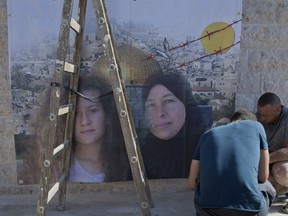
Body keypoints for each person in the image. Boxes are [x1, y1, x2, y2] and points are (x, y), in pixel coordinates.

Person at [188, 109, 275, 216]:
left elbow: (192, 184)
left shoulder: (207, 135)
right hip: (249, 211)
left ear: (231, 121)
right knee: (268, 186)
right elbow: (263, 176)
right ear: (250, 122)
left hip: (207, 210)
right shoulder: (256, 127)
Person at [140, 72, 208, 179]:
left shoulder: (206, 154)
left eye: (168, 101)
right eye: (151, 105)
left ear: (186, 106)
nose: (160, 113)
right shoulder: (137, 158)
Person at [68, 74, 131, 182]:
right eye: (76, 113)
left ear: (107, 114)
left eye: (92, 111)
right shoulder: (58, 169)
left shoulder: (128, 163)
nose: (85, 121)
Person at [257, 92, 288, 213]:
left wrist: (266, 159)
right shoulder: (258, 119)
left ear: (278, 110)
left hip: (279, 163)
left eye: (266, 115)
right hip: (265, 160)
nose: (261, 118)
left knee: (282, 170)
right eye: (260, 114)